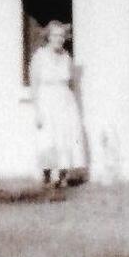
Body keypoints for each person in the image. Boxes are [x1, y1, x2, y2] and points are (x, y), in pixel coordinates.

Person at [29, 20, 87, 187]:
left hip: (65, 101)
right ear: (48, 36)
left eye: (62, 36)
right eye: (55, 35)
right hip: (46, 100)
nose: (59, 39)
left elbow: (72, 84)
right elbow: (34, 85)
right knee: (48, 137)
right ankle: (47, 175)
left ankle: (62, 175)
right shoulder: (39, 56)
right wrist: (37, 110)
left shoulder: (67, 58)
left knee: (65, 136)